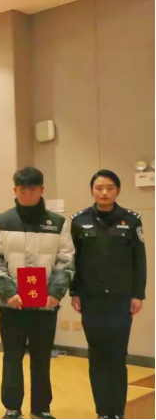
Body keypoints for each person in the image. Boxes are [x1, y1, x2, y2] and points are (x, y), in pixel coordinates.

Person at [0, 167, 75, 420]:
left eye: (33, 191)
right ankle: (12, 407)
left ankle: (41, 408)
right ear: (15, 190)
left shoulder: (58, 223)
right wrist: (8, 293)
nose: (27, 196)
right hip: (11, 305)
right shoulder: (1, 222)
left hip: (45, 305)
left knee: (42, 358)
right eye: (22, 191)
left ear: (42, 190)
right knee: (12, 357)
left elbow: (66, 260)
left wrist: (55, 293)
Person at [70, 170, 147, 420]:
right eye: (99, 188)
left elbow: (139, 261)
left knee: (117, 356)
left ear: (118, 190)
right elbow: (74, 261)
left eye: (110, 188)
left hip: (120, 300)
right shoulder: (79, 221)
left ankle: (117, 412)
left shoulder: (131, 221)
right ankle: (103, 411)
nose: (104, 192)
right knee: (96, 356)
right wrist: (74, 292)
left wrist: (138, 294)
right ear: (92, 190)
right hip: (91, 299)